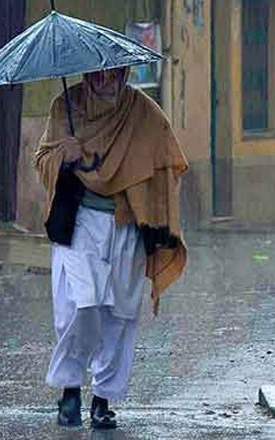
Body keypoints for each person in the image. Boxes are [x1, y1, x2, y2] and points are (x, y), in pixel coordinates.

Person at [34, 67, 188, 429]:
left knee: (120, 312)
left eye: (113, 73)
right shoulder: (65, 106)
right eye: (97, 75)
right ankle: (70, 389)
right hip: (79, 221)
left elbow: (169, 163)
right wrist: (63, 156)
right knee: (81, 304)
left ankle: (102, 398)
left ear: (124, 73)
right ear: (86, 76)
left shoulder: (143, 111)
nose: (105, 81)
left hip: (127, 224)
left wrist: (155, 207)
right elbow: (41, 161)